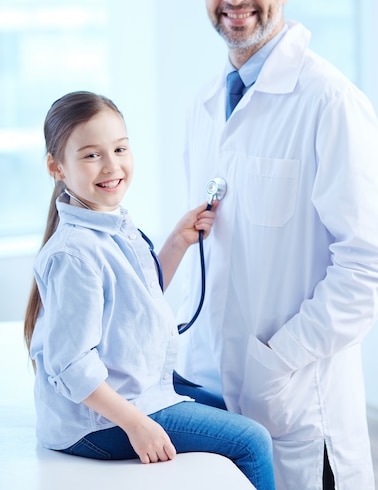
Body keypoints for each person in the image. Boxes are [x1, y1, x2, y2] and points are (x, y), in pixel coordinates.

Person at [175, 0, 378, 490]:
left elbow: (372, 266)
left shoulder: (330, 103)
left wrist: (276, 361)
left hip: (298, 407)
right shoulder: (206, 105)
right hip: (213, 399)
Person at [23, 90, 275, 490]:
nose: (112, 165)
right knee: (250, 440)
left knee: (230, 406)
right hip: (95, 424)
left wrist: (177, 242)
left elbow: (137, 297)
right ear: (57, 167)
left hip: (133, 396)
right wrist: (136, 423)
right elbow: (71, 366)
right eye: (91, 155)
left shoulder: (113, 226)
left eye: (120, 148)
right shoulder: (75, 253)